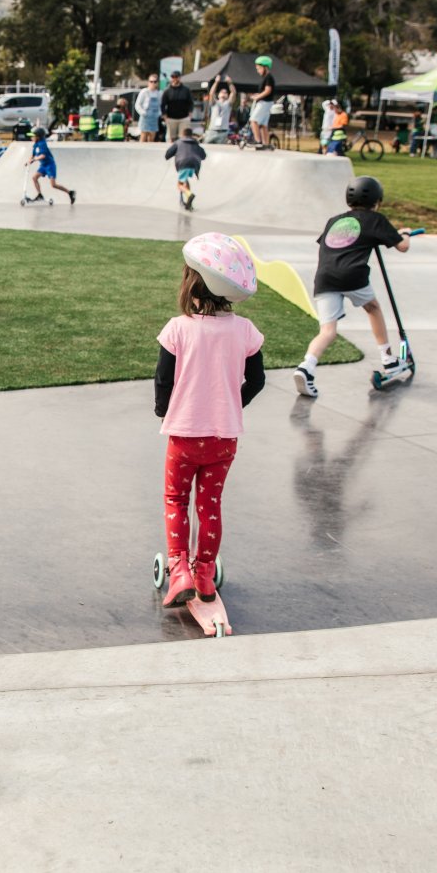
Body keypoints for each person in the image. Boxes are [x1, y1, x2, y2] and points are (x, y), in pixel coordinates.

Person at [153, 232, 265, 606]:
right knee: (210, 504)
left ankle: (179, 571)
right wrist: (231, 405)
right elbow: (257, 381)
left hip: (184, 436)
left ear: (192, 283)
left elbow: (163, 380)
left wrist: (163, 410)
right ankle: (204, 574)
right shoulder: (245, 331)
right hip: (223, 440)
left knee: (176, 499)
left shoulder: (178, 328)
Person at [292, 176, 413, 398]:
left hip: (324, 277)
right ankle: (388, 359)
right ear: (377, 201)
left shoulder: (334, 221)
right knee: (373, 308)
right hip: (352, 274)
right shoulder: (375, 219)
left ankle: (306, 367)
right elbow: (403, 246)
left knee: (327, 331)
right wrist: (405, 233)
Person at [25, 125, 74, 204]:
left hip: (50, 165)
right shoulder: (36, 144)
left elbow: (43, 156)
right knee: (34, 178)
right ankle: (40, 195)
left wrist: (34, 159)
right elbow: (33, 154)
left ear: (38, 137)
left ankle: (70, 192)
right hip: (43, 166)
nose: (31, 138)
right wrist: (29, 161)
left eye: (33, 136)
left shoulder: (42, 144)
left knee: (53, 185)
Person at [164, 124, 206, 210]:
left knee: (180, 184)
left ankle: (189, 194)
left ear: (182, 134)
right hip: (194, 164)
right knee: (185, 181)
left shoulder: (178, 142)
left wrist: (174, 153)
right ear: (191, 135)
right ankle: (188, 202)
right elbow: (204, 156)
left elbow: (167, 155)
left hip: (183, 163)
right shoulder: (196, 143)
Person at [249, 56, 276, 149]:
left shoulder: (268, 77)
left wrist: (258, 97)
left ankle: (258, 141)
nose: (258, 71)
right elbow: (264, 91)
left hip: (265, 102)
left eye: (259, 68)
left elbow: (268, 90)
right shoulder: (266, 78)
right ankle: (266, 144)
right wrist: (257, 95)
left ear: (265, 67)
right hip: (266, 102)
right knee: (263, 125)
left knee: (253, 121)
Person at [162, 71, 195, 141]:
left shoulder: (186, 90)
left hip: (184, 118)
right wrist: (165, 116)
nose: (174, 78)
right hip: (171, 118)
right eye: (173, 77)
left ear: (179, 78)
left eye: (176, 77)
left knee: (184, 138)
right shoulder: (167, 91)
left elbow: (191, 102)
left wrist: (190, 113)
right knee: (171, 138)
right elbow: (163, 104)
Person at [203, 78, 233, 144]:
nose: (223, 93)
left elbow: (233, 93)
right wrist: (216, 82)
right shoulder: (215, 102)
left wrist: (230, 83)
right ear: (218, 95)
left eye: (225, 92)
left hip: (223, 132)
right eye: (222, 92)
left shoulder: (228, 104)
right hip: (212, 130)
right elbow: (211, 93)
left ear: (227, 95)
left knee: (221, 149)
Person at [135, 76, 162, 142]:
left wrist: (159, 114)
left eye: (155, 82)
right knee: (143, 136)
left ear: (157, 83)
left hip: (154, 117)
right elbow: (137, 105)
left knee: (152, 137)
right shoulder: (144, 92)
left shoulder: (159, 93)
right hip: (145, 116)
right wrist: (143, 113)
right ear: (148, 82)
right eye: (151, 81)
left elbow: (160, 105)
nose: (153, 83)